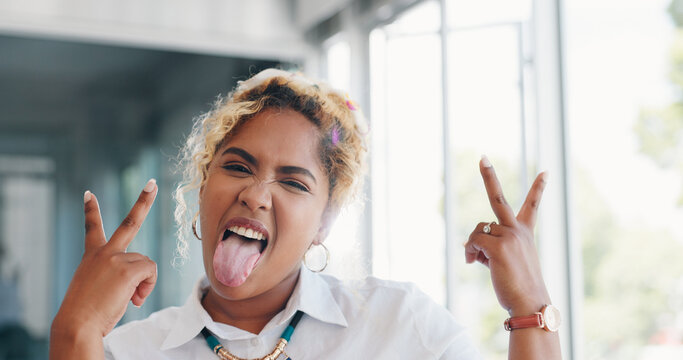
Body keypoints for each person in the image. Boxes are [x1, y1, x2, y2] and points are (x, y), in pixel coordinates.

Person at [49, 69, 562, 359]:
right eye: (237, 166)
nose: (256, 194)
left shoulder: (399, 325)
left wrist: (530, 307)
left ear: (324, 223)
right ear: (202, 189)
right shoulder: (124, 352)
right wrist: (74, 330)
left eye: (293, 182)